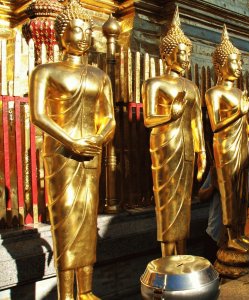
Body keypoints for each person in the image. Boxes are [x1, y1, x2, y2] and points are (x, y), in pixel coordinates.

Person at [29, 1, 116, 299]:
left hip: (91, 150)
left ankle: (87, 291)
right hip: (62, 154)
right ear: (61, 34)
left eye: (86, 30)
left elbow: (109, 118)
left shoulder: (99, 75)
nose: (82, 36)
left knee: (88, 221)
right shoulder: (46, 71)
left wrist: (100, 138)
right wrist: (71, 141)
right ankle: (66, 294)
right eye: (75, 29)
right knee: (67, 222)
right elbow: (38, 115)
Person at [141, 8, 206, 257]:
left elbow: (197, 123)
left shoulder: (192, 86)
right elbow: (148, 120)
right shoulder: (154, 84)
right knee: (168, 203)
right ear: (167, 55)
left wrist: (202, 153)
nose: (186, 57)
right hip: (165, 147)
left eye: (188, 53)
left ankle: (183, 252)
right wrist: (171, 114)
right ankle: (168, 257)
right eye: (181, 52)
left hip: (188, 148)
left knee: (184, 203)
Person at [205, 25, 249, 253]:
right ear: (221, 66)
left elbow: (246, 131)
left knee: (242, 195)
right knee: (229, 194)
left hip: (241, 146)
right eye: (234, 61)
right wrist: (240, 112)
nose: (239, 66)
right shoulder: (214, 93)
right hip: (224, 148)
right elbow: (216, 125)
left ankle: (240, 232)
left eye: (239, 62)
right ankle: (231, 236)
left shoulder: (239, 94)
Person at [198, 166, 249, 263]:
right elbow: (201, 196)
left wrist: (228, 189)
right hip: (213, 231)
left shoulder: (247, 170)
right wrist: (213, 187)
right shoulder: (216, 169)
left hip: (235, 235)